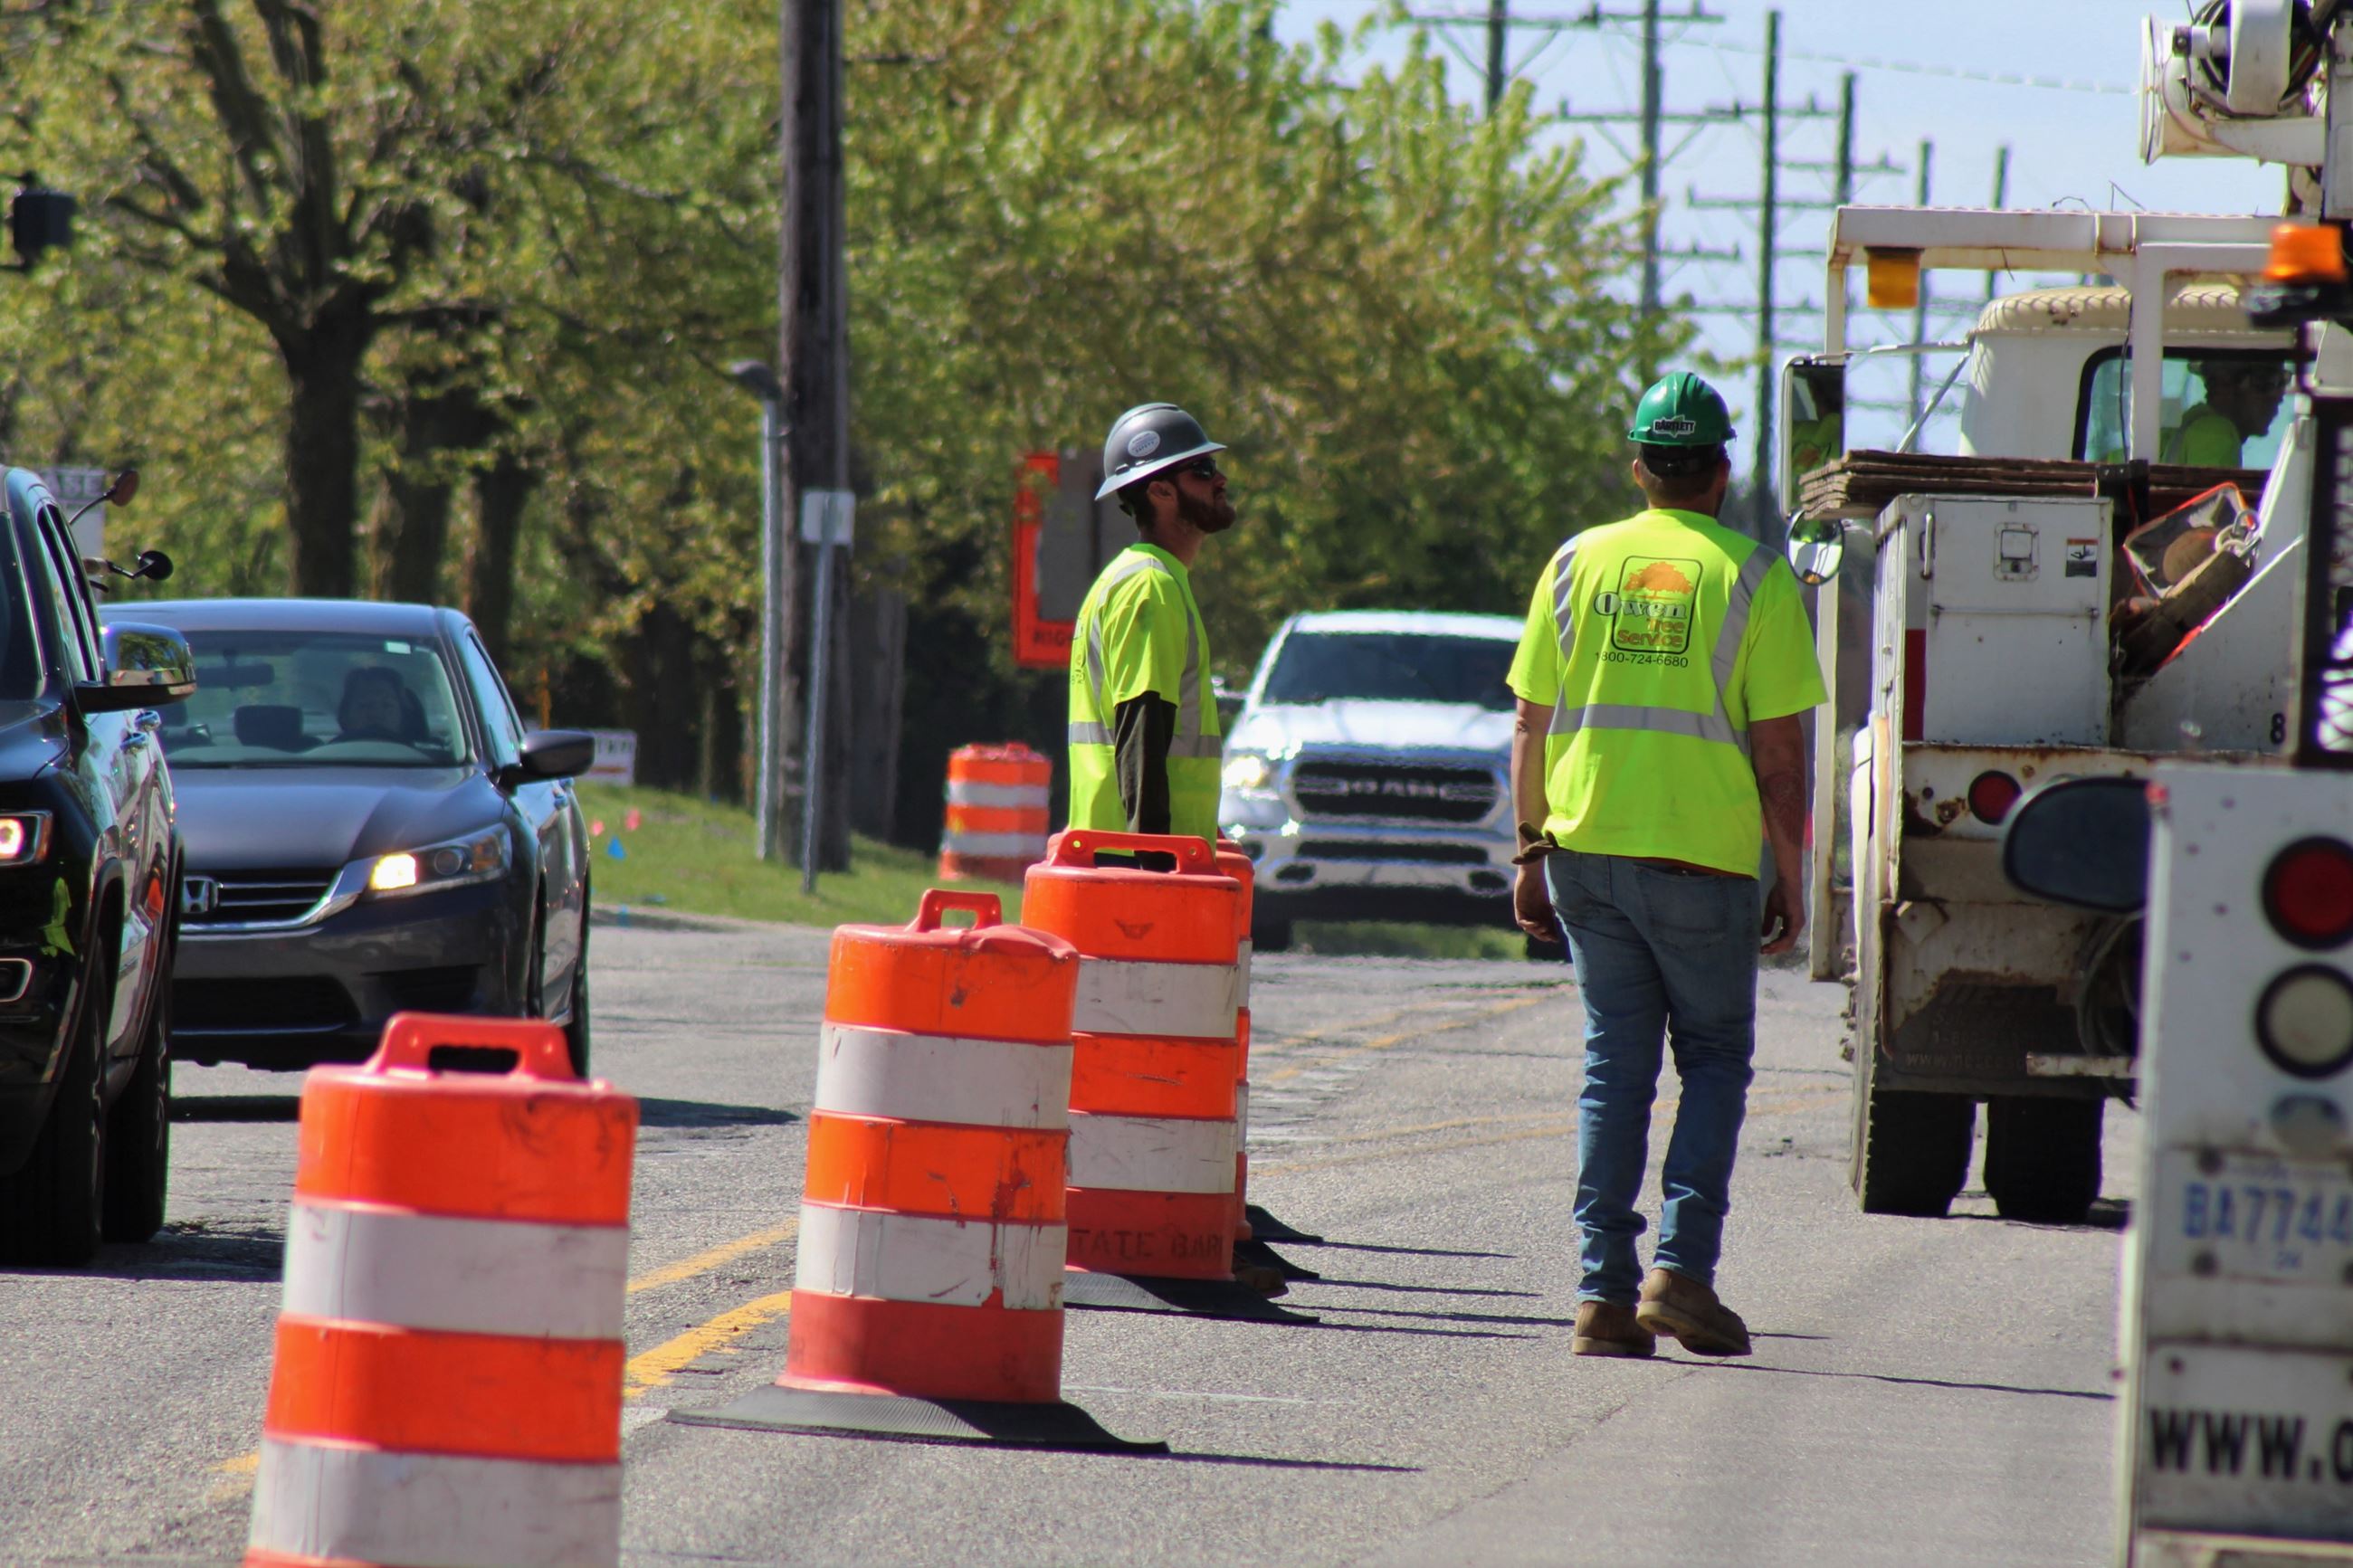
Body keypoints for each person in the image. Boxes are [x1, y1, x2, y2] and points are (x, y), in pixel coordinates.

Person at [1506, 370, 1828, 1360]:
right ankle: (1680, 1273)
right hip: (1701, 863)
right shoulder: (1755, 577)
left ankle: (1599, 1293)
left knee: (1615, 1064)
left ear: (1638, 468)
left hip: (1587, 854)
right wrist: (1791, 879)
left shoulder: (1572, 564)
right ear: (1722, 470)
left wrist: (1527, 853)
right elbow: (1779, 765)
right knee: (1714, 1060)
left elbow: (1528, 724)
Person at [1067, 403, 1235, 845]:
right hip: (1134, 869)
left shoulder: (1141, 579)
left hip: (1118, 860)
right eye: (1201, 470)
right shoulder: (1149, 587)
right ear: (1160, 492)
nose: (1220, 479)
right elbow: (1142, 731)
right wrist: (1153, 863)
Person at [2165, 360, 2289, 467]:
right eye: (2267, 381)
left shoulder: (2187, 425)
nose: (2279, 396)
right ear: (2224, 381)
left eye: (2283, 382)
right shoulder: (2217, 432)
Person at [338, 667, 410, 743]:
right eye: (365, 705)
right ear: (345, 714)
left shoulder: (418, 754)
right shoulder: (327, 753)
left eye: (387, 705)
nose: (376, 714)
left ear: (403, 715)